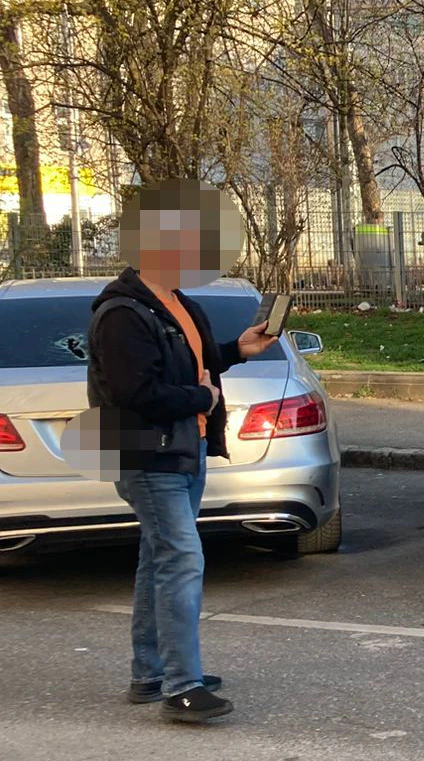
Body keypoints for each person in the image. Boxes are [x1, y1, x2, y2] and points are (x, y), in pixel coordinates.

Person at [85, 181, 279, 723]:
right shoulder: (123, 313)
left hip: (181, 450)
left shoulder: (176, 303)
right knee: (181, 558)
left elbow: (187, 364)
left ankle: (151, 672)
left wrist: (237, 350)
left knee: (159, 558)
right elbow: (134, 392)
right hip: (146, 454)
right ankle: (181, 686)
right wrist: (201, 398)